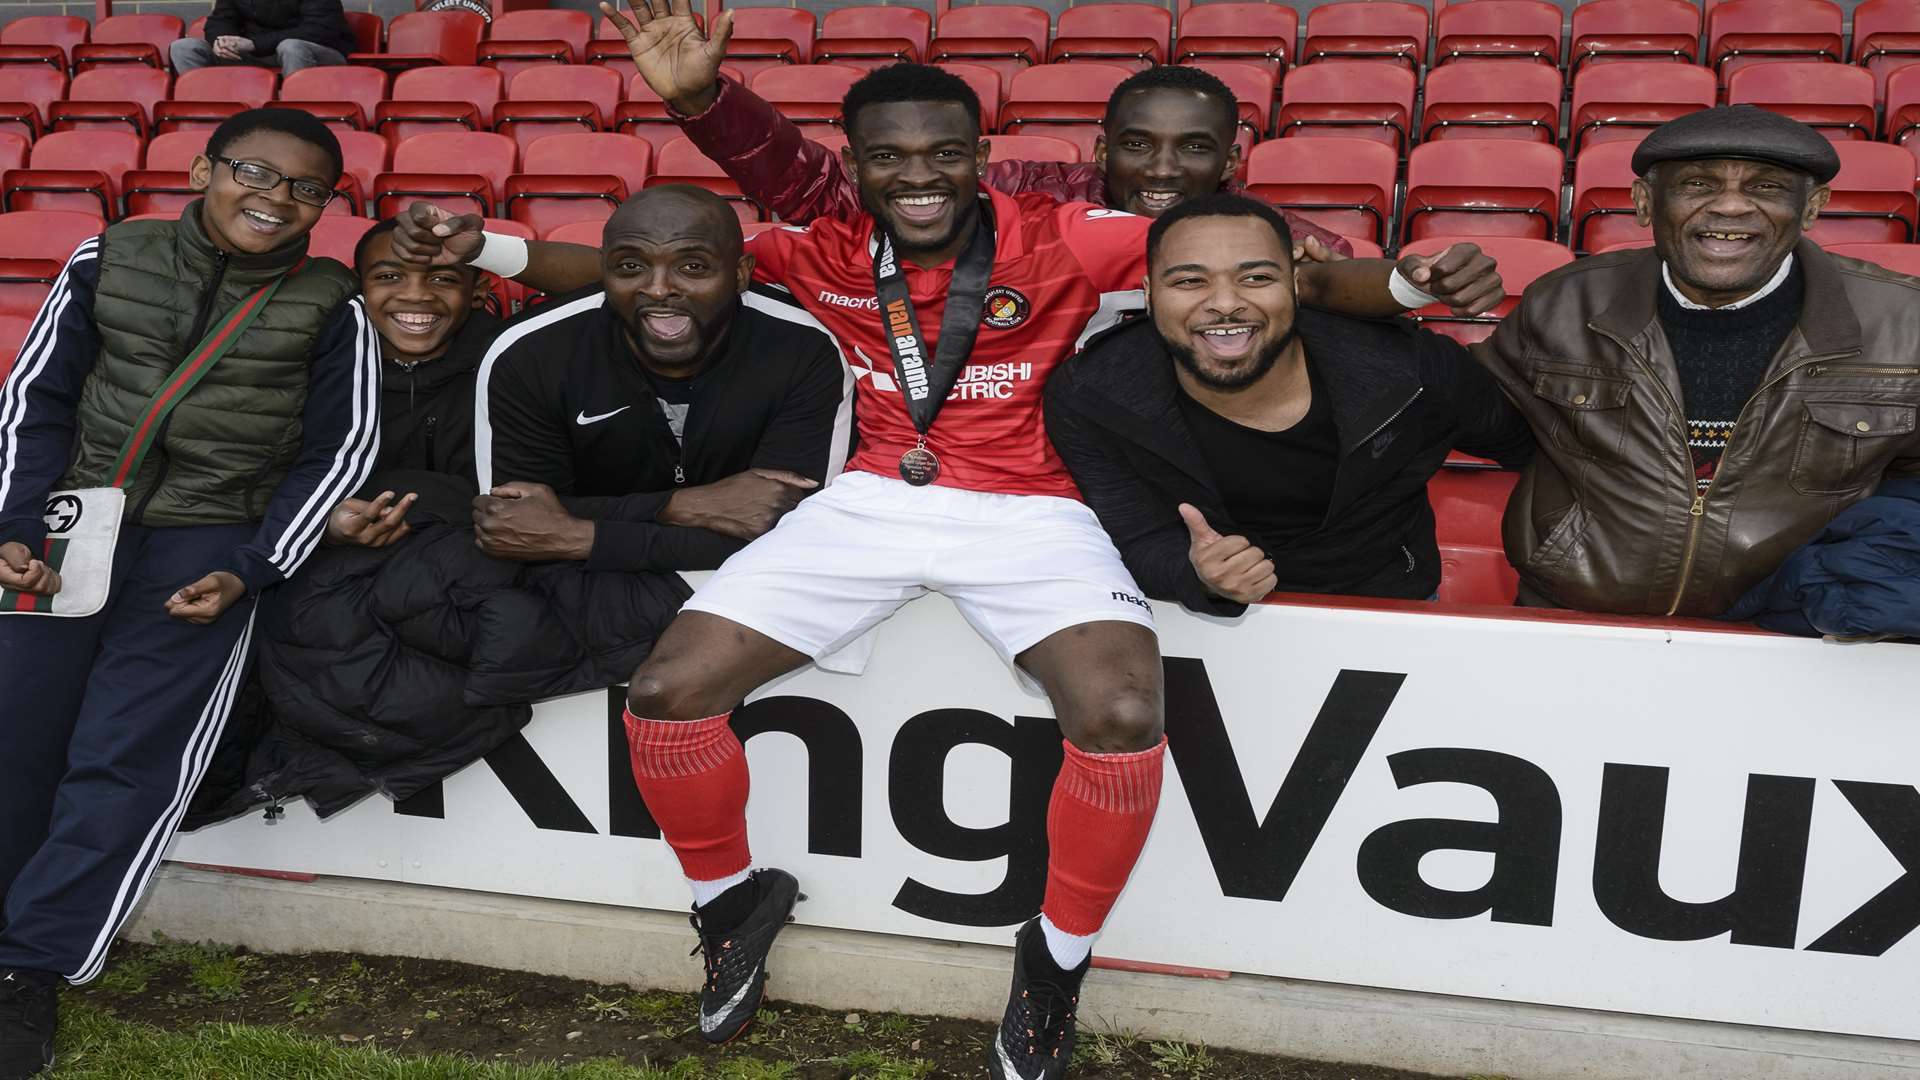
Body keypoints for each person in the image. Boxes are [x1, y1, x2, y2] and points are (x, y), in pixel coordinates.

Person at [397, 62, 1498, 1080]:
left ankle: (1056, 960)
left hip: (1036, 511)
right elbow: (634, 269)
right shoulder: (818, 247)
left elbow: (1285, 277)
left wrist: (1403, 289)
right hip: (870, 500)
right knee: (668, 692)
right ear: (858, 160)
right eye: (888, 158)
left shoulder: (1074, 234)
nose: (916, 179)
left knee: (1120, 711)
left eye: (941, 156)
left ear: (983, 154)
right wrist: (483, 247)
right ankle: (728, 903)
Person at [0, 108, 377, 1079]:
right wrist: (12, 528)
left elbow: (343, 453)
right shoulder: (105, 258)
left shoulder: (334, 304)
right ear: (206, 167)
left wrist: (254, 567)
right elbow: (35, 401)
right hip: (68, 531)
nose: (276, 197)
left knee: (125, 758)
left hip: (204, 553)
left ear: (324, 208)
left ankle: (28, 968)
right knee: (15, 734)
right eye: (256, 171)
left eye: (306, 188)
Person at [593, 0, 1506, 316]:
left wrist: (1425, 284)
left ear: (1233, 157)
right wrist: (703, 101)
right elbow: (831, 195)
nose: (1163, 169)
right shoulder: (1022, 194)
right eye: (1139, 144)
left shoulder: (1283, 239)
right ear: (1101, 147)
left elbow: (1348, 296)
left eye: (1194, 149)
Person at [1478, 105, 1920, 616]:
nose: (1730, 207)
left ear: (1812, 207)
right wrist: (1396, 299)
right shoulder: (1562, 303)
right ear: (1645, 202)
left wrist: (1845, 576)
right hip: (1579, 619)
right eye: (1696, 184)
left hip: (1791, 632)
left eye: (1767, 188)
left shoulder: (1905, 324)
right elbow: (1488, 416)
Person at [1047, 194, 1534, 612]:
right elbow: (1136, 537)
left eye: (1256, 278)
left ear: (1296, 286)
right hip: (1203, 630)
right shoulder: (1091, 394)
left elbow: (1534, 444)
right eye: (1189, 281)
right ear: (1150, 295)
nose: (1224, 303)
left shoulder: (1411, 369)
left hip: (1391, 609)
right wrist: (1196, 574)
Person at [471, 185, 851, 573]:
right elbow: (515, 524)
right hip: (577, 580)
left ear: (740, 274)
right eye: (630, 267)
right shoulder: (526, 353)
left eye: (692, 267)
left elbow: (789, 532)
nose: (658, 289)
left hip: (750, 583)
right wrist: (682, 506)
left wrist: (581, 536)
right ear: (604, 270)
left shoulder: (805, 348)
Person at [318, 215, 502, 550]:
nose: (416, 295)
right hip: (344, 564)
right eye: (389, 276)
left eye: (443, 278)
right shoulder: (323, 367)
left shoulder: (508, 367)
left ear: (478, 292)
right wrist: (324, 523)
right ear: (359, 288)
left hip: (475, 555)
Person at [170, 0, 356, 76]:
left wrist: (254, 44)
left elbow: (320, 29)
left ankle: (297, 115)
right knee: (183, 47)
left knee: (291, 47)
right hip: (256, 51)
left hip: (318, 52)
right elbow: (221, 18)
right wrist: (222, 41)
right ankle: (210, 111)